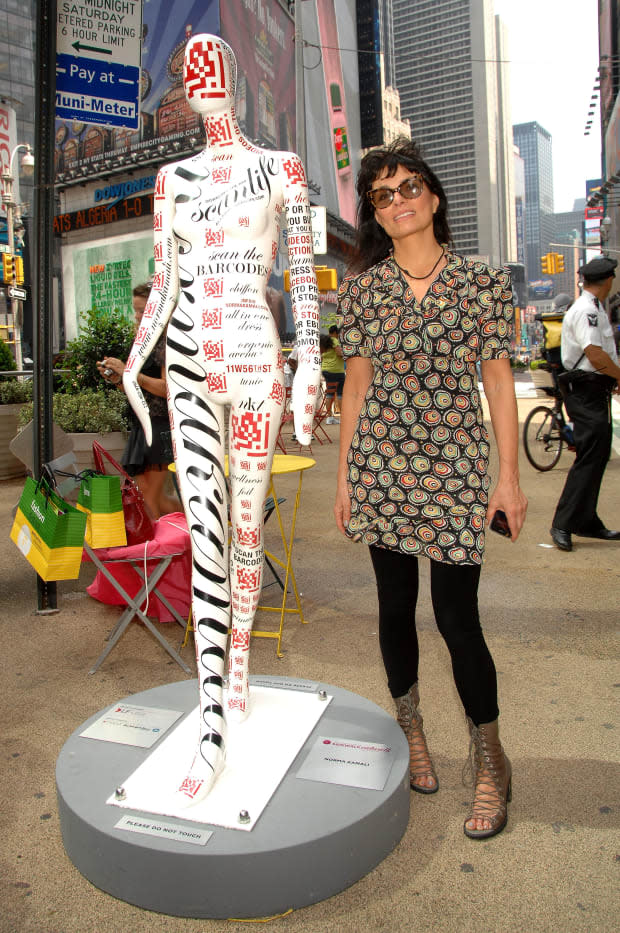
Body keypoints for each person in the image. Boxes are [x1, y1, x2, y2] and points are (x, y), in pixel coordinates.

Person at [122, 34, 320, 804]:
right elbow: (165, 283)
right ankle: (210, 723)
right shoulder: (172, 179)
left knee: (244, 531)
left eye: (213, 61)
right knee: (204, 532)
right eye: (189, 65)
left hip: (251, 359)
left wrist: (307, 363)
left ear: (235, 76)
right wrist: (142, 370)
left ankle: (238, 665)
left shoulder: (282, 171)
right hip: (191, 363)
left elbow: (302, 276)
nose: (200, 73)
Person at [334, 138, 527, 840]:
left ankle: (489, 754)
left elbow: (498, 382)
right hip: (381, 467)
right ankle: (410, 728)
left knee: (456, 616)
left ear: (434, 197)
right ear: (376, 215)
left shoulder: (481, 283)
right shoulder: (360, 291)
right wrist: (346, 475)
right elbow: (354, 386)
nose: (398, 201)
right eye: (382, 195)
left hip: (454, 471)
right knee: (393, 607)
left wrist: (507, 475)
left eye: (409, 187)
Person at [549, 257, 620, 551]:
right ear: (608, 281)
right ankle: (562, 524)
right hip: (584, 390)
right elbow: (594, 353)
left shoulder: (595, 308)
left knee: (598, 454)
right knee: (590, 456)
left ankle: (586, 520)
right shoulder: (586, 311)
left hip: (594, 390)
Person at [97, 283, 179, 519]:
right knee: (154, 498)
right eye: (135, 310)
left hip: (161, 424)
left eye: (143, 310)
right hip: (143, 423)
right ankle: (202, 527)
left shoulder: (168, 340)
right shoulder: (143, 340)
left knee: (147, 496)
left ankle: (155, 552)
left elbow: (168, 388)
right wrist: (116, 378)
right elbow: (136, 387)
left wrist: (129, 374)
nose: (138, 316)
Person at [321, 324, 345, 422]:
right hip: (336, 371)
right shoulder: (334, 340)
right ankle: (343, 417)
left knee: (330, 393)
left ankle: (329, 417)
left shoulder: (324, 341)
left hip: (326, 369)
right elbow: (339, 353)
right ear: (335, 332)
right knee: (340, 393)